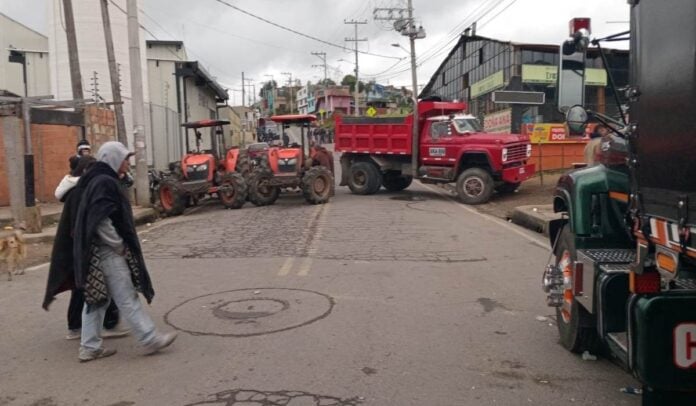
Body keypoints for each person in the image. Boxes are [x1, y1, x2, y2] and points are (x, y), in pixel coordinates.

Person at [73, 141, 176, 362]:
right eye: (124, 158)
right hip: (108, 251)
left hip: (97, 251)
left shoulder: (99, 179)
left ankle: (89, 346)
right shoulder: (103, 182)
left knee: (97, 299)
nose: (127, 163)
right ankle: (149, 338)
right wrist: (118, 245)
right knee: (126, 296)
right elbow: (100, 220)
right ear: (112, 159)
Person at [44, 156, 128, 341]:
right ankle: (104, 326)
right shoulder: (80, 193)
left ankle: (79, 327)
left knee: (83, 288)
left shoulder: (78, 190)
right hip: (84, 248)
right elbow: (87, 222)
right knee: (98, 287)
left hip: (78, 247)